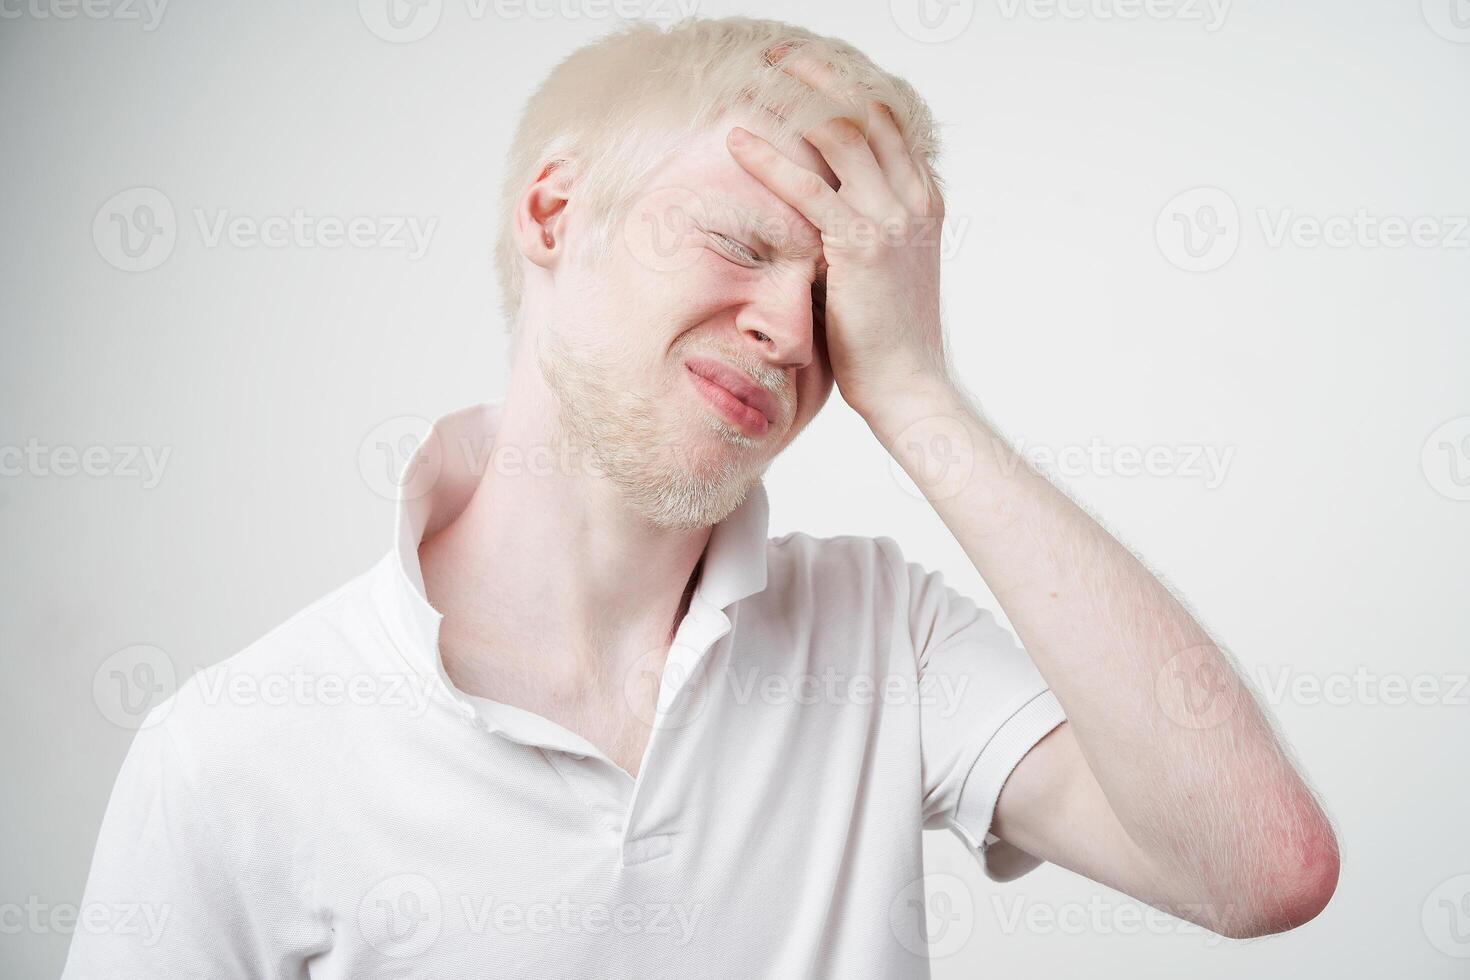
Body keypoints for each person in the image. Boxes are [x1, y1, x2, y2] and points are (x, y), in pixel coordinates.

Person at [63, 16, 1338, 978]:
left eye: (836, 296)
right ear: (556, 213)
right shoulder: (229, 755)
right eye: (739, 243)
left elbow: (1260, 870)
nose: (790, 327)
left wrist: (923, 398)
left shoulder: (883, 634)